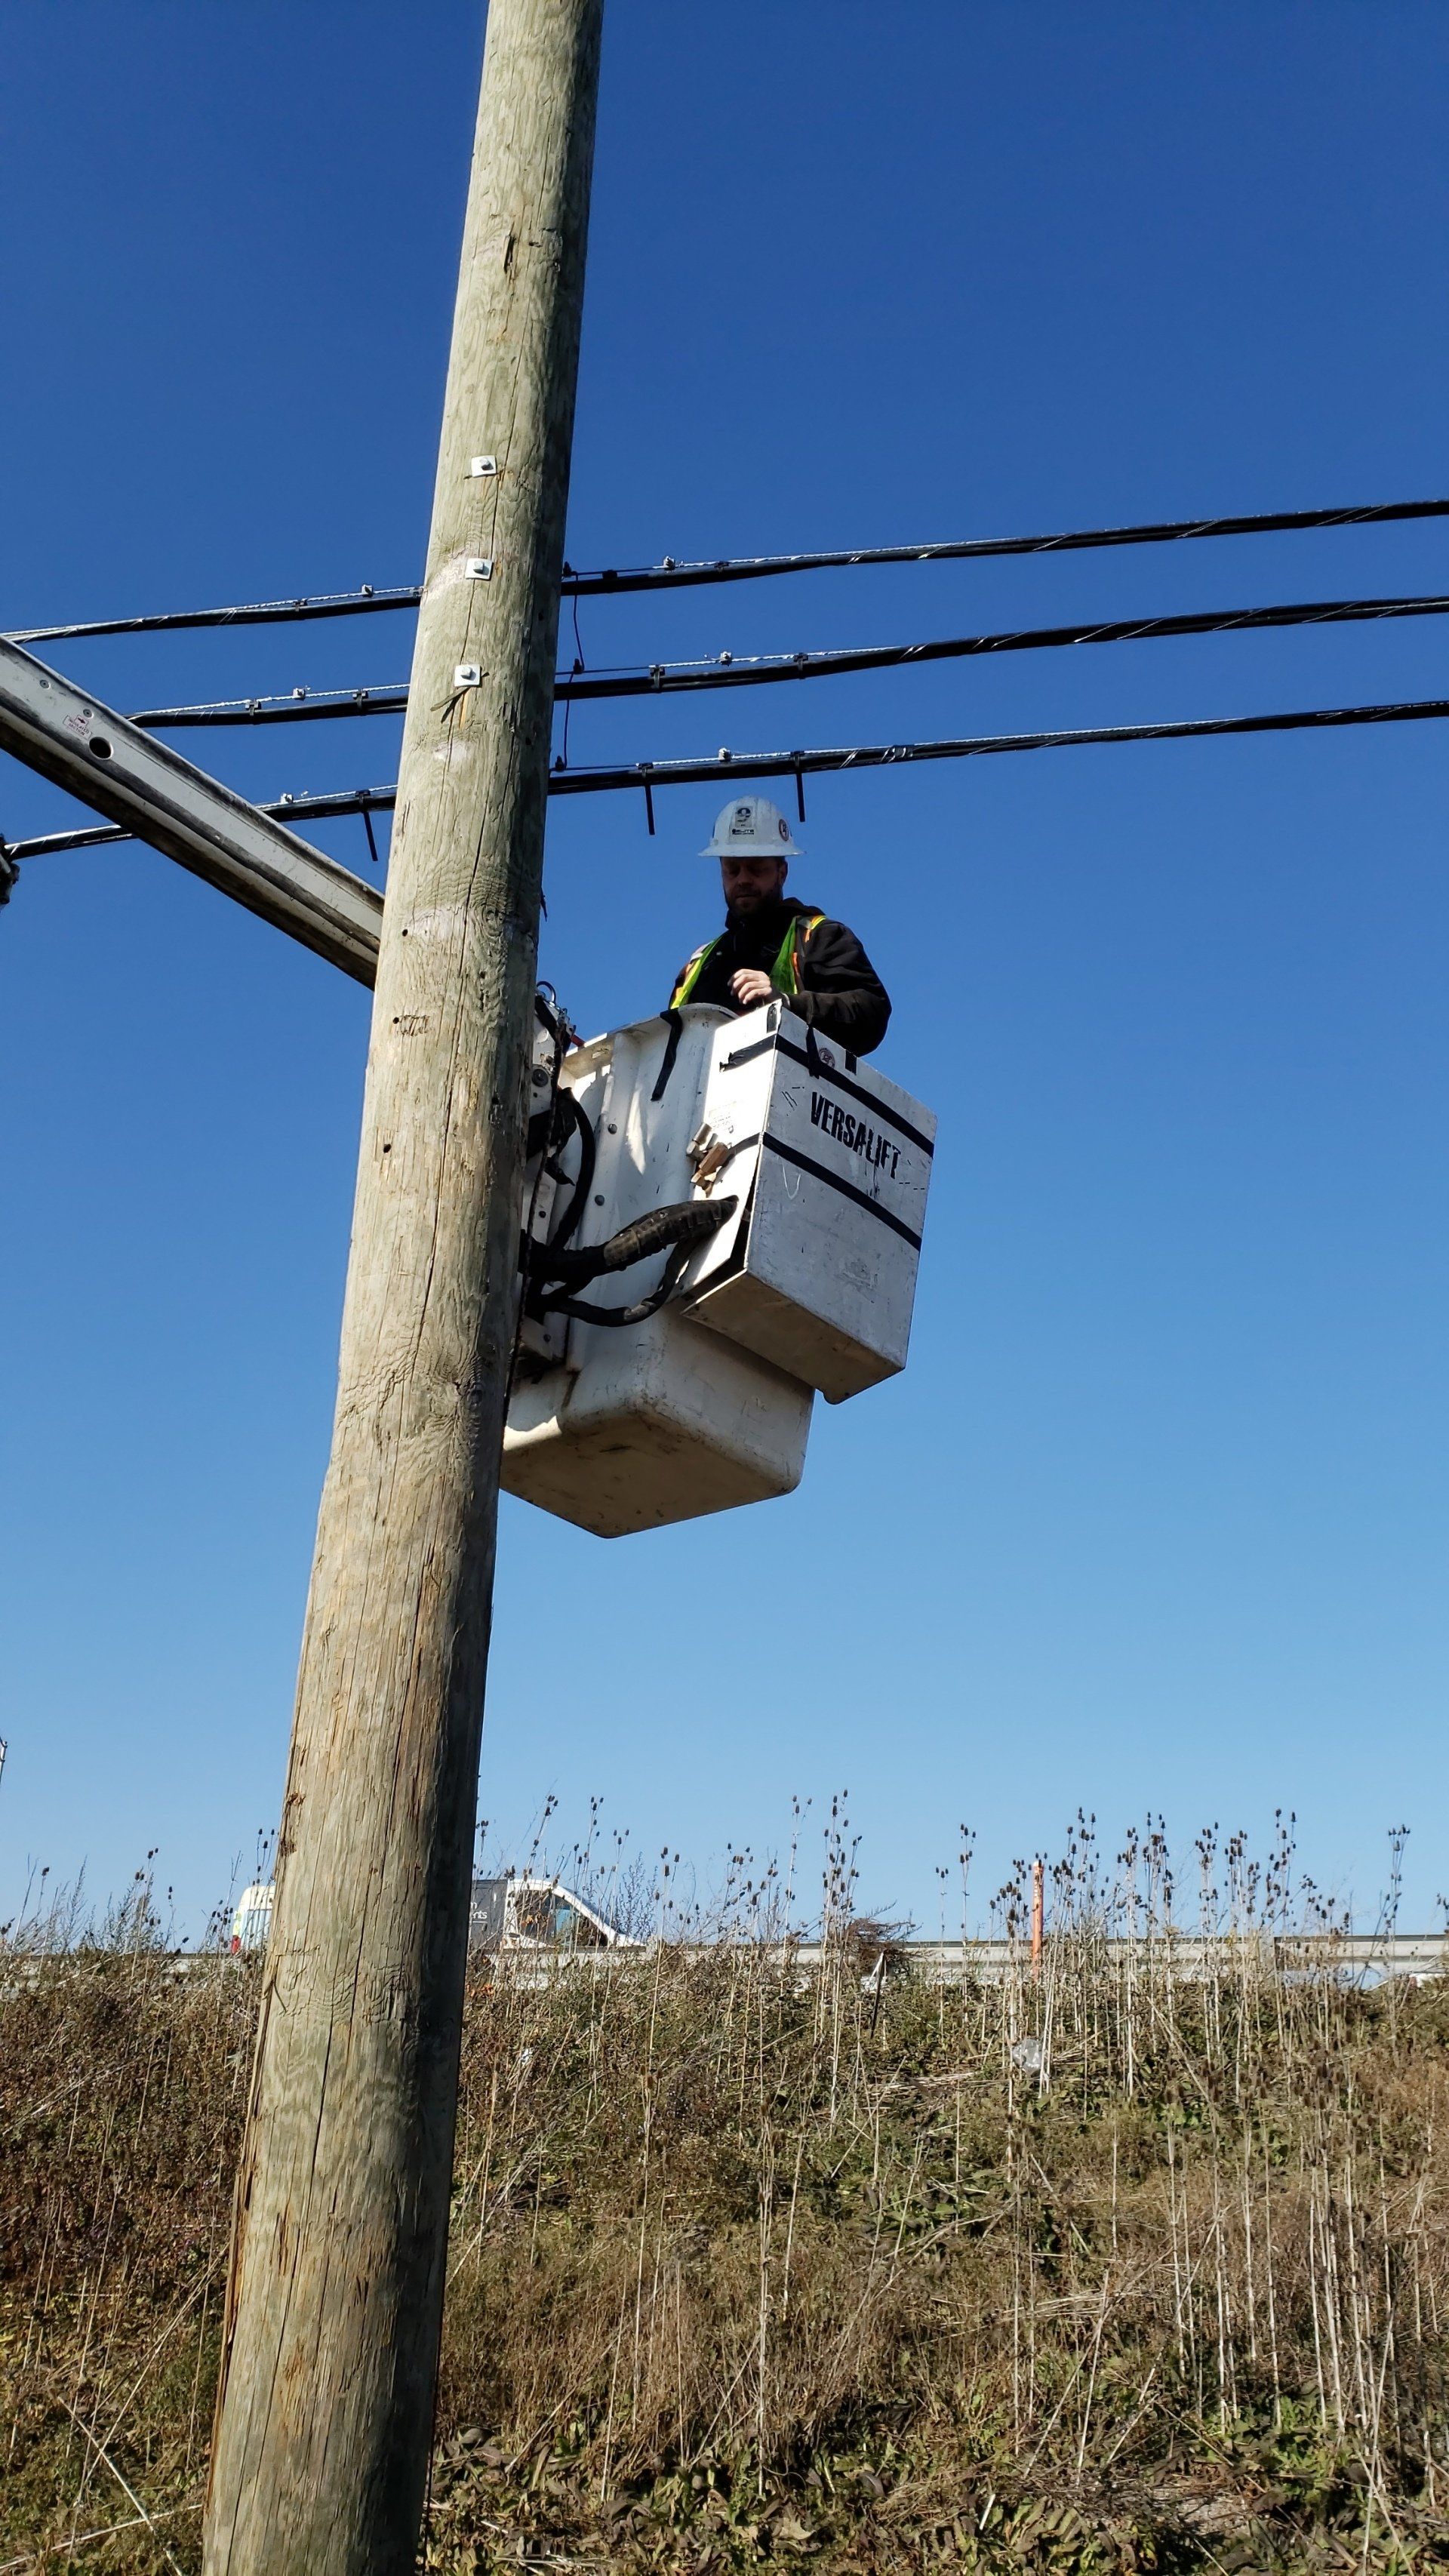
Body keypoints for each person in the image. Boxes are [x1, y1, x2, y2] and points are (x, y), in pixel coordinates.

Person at [668, 794, 891, 1055]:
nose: (743, 880)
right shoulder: (699, 964)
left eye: (756, 868)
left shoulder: (818, 937)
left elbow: (870, 1012)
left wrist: (786, 1005)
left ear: (781, 873)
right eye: (733, 869)